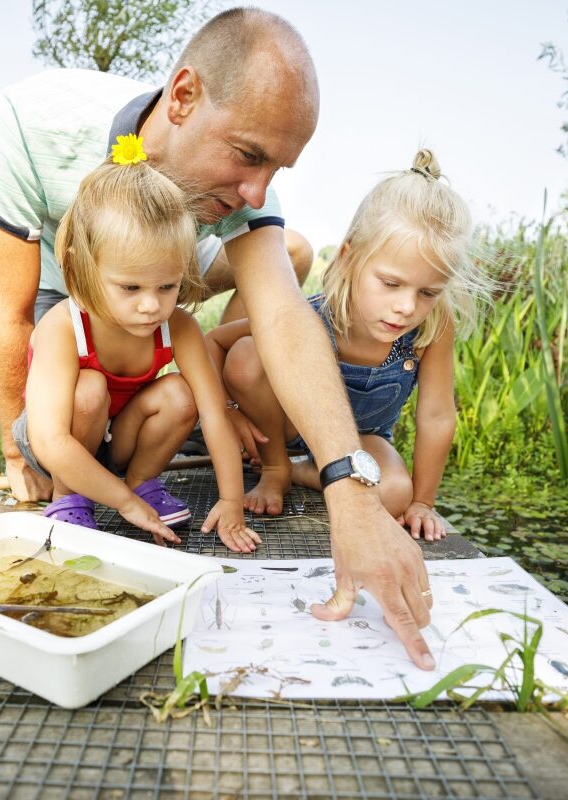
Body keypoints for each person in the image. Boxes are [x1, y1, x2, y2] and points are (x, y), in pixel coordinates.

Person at [0, 8, 438, 670]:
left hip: (166, 277)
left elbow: (282, 315)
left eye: (277, 168)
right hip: (67, 295)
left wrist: (347, 486)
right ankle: (78, 476)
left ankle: (179, 420)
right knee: (75, 402)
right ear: (184, 96)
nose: (257, 188)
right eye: (249, 155)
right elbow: (10, 307)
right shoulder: (31, 121)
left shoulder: (231, 214)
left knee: (287, 253)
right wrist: (17, 451)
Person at [207, 149, 492, 544]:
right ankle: (276, 469)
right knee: (246, 356)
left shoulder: (431, 327)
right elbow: (215, 343)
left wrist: (423, 502)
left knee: (394, 492)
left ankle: (308, 470)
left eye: (427, 292)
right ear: (349, 258)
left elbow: (437, 416)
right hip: (288, 428)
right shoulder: (313, 314)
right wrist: (228, 411)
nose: (407, 307)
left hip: (365, 440)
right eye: (391, 284)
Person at [17, 139, 261, 553]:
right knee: (91, 388)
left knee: (182, 393)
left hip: (119, 440)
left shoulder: (178, 327)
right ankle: (68, 497)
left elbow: (213, 415)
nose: (151, 305)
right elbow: (50, 439)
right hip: (58, 443)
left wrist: (231, 501)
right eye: (130, 287)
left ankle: (140, 481)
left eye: (167, 286)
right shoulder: (63, 325)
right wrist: (124, 507)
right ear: (81, 266)